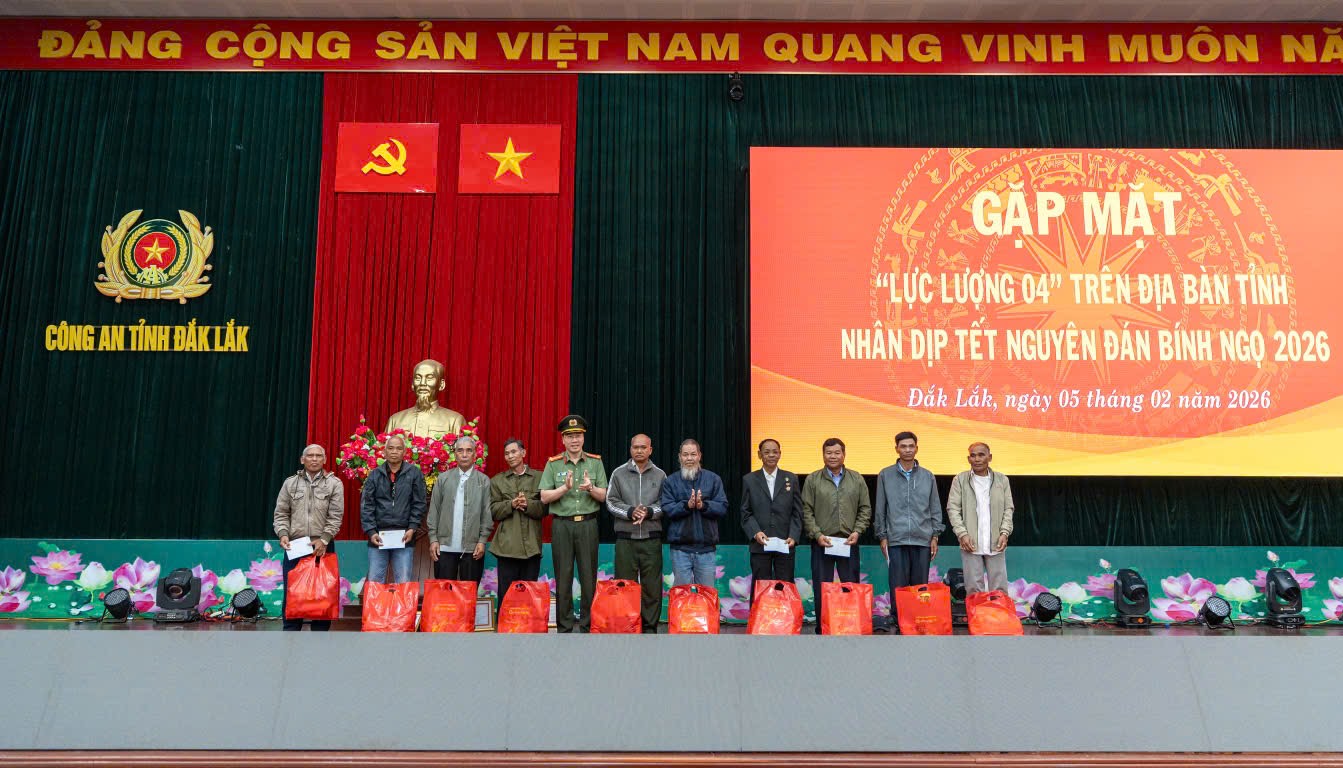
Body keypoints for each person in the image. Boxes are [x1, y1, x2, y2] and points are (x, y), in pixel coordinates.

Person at [539, 415, 607, 633]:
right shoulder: (553, 464)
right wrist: (564, 488)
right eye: (570, 436)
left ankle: (587, 626)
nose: (574, 440)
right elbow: (544, 497)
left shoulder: (595, 462)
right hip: (562, 526)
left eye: (578, 435)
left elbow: (604, 496)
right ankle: (565, 627)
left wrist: (590, 488)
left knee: (589, 578)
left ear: (583, 438)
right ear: (563, 440)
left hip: (587, 525)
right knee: (563, 577)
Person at [874, 431, 943, 632]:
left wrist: (935, 535)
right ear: (896, 449)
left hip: (923, 539)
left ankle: (918, 621)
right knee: (898, 585)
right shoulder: (885, 475)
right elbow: (880, 508)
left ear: (916, 448)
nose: (907, 450)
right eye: (903, 446)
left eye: (911, 446)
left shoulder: (928, 476)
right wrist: (882, 536)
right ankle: (899, 622)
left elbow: (935, 508)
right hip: (896, 539)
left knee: (920, 586)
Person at [801, 437, 872, 634]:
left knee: (850, 587)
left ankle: (851, 627)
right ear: (823, 455)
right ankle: (823, 628)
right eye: (829, 453)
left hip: (848, 542)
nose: (833, 456)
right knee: (821, 588)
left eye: (837, 453)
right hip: (822, 542)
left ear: (844, 454)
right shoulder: (813, 479)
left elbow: (865, 509)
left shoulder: (857, 479)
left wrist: (857, 531)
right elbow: (806, 510)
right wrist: (817, 534)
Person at [273, 444, 344, 631]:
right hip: (295, 545)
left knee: (322, 593)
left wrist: (324, 539)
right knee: (293, 592)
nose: (314, 459)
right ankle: (291, 633)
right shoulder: (290, 483)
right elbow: (281, 513)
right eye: (310, 455)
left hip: (323, 545)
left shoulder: (334, 484)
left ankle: (319, 636)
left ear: (325, 460)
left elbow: (336, 516)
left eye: (318, 456)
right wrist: (283, 534)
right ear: (302, 460)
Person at [605, 434, 667, 633]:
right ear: (630, 449)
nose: (639, 451)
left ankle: (650, 629)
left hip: (651, 540)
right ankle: (627, 627)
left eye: (643, 447)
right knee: (624, 587)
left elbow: (666, 503)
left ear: (650, 450)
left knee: (652, 588)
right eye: (635, 447)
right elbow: (610, 501)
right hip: (626, 540)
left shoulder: (660, 475)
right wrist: (631, 512)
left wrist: (648, 512)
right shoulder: (618, 473)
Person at [945, 442, 1014, 594]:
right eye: (973, 455)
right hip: (970, 542)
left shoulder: (1002, 480)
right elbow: (953, 509)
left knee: (999, 590)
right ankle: (976, 611)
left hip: (996, 541)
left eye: (981, 455)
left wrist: (1004, 533)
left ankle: (998, 611)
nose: (977, 459)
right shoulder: (960, 480)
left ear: (990, 457)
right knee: (973, 590)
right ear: (968, 459)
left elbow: (1008, 509)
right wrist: (962, 534)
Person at [740, 438, 802, 601]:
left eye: (775, 452)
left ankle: (786, 617)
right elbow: (745, 512)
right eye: (767, 452)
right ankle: (758, 618)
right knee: (760, 588)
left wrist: (794, 535)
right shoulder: (749, 479)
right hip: (760, 543)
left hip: (785, 542)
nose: (771, 455)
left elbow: (797, 512)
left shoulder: (791, 478)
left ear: (780, 454)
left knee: (785, 586)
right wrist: (755, 532)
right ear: (759, 455)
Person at [660, 439, 728, 588]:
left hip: (706, 549)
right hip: (680, 549)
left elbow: (722, 507)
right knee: (681, 595)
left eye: (693, 454)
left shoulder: (713, 479)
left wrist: (703, 505)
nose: (689, 458)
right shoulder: (671, 481)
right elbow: (667, 508)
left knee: (706, 594)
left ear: (699, 456)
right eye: (685, 455)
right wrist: (687, 505)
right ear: (680, 457)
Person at [360, 433, 426, 584]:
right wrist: (371, 531)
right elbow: (366, 506)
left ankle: (401, 603)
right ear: (384, 452)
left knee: (403, 582)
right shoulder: (375, 475)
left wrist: (412, 528)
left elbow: (419, 503)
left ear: (404, 452)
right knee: (375, 581)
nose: (394, 451)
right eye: (390, 448)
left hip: (404, 536)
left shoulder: (414, 474)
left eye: (398, 448)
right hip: (378, 537)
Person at [428, 436, 493, 583]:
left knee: (469, 593)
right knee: (444, 592)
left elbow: (487, 514)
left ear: (475, 454)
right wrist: (433, 539)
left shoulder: (483, 481)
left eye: (469, 451)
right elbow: (434, 511)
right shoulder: (443, 479)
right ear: (455, 454)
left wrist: (482, 541)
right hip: (444, 548)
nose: (464, 454)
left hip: (472, 548)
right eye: (460, 450)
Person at [489, 438, 545, 599]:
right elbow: (492, 511)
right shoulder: (497, 481)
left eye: (514, 452)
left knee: (529, 597)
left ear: (523, 453)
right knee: (507, 597)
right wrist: (511, 504)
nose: (510, 456)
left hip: (531, 547)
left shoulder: (539, 477)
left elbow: (546, 508)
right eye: (507, 453)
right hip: (507, 548)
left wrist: (528, 505)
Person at [384, 359, 465, 439]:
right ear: (412, 384)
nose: (422, 383)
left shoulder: (455, 420)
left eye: (429, 378)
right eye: (418, 378)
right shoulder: (395, 420)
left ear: (441, 384)